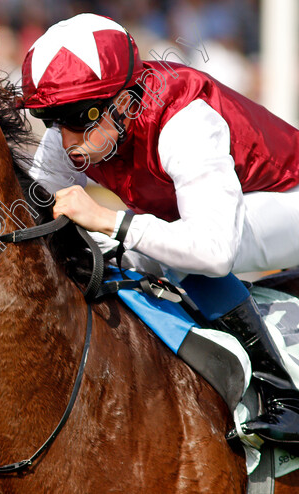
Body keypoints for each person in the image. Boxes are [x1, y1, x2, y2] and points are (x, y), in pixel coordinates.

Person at [21, 13, 299, 445]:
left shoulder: (184, 122)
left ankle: (285, 396)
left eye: (75, 118)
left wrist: (109, 219)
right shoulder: (75, 136)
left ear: (119, 101)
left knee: (163, 248)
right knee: (105, 251)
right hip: (216, 215)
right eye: (53, 120)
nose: (64, 139)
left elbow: (213, 252)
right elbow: (32, 219)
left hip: (287, 199)